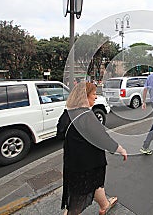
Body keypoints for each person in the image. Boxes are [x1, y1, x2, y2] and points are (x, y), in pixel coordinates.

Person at [60, 82, 127, 215]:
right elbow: (102, 137)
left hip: (72, 161)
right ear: (84, 97)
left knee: (94, 184)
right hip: (87, 164)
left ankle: (104, 206)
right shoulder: (86, 116)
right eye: (94, 94)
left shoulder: (67, 113)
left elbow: (60, 133)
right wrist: (120, 149)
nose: (95, 97)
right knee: (78, 198)